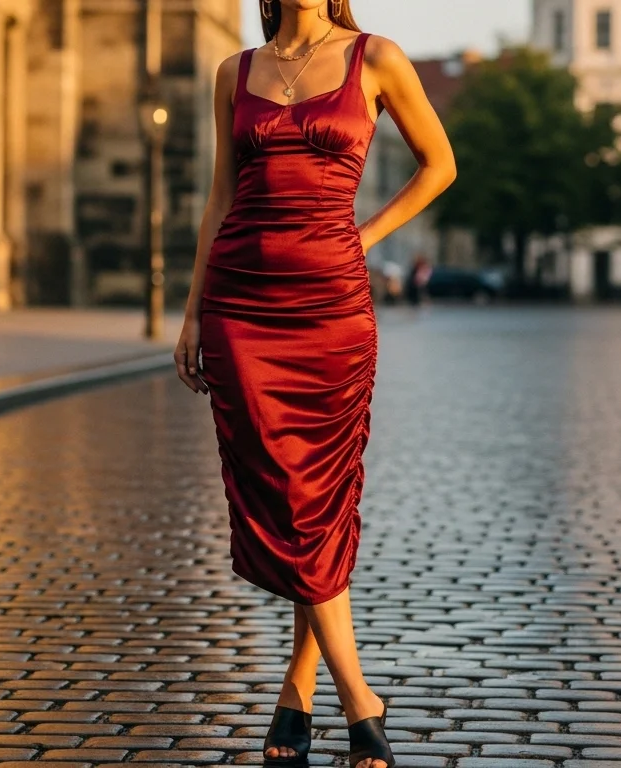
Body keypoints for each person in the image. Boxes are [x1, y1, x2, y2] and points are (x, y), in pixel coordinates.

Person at [172, 2, 456, 766]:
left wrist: (361, 237)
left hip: (331, 311)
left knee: (317, 498)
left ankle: (311, 692)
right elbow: (220, 199)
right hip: (240, 306)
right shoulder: (235, 71)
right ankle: (353, 700)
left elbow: (441, 163)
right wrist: (194, 312)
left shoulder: (378, 58)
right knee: (286, 494)